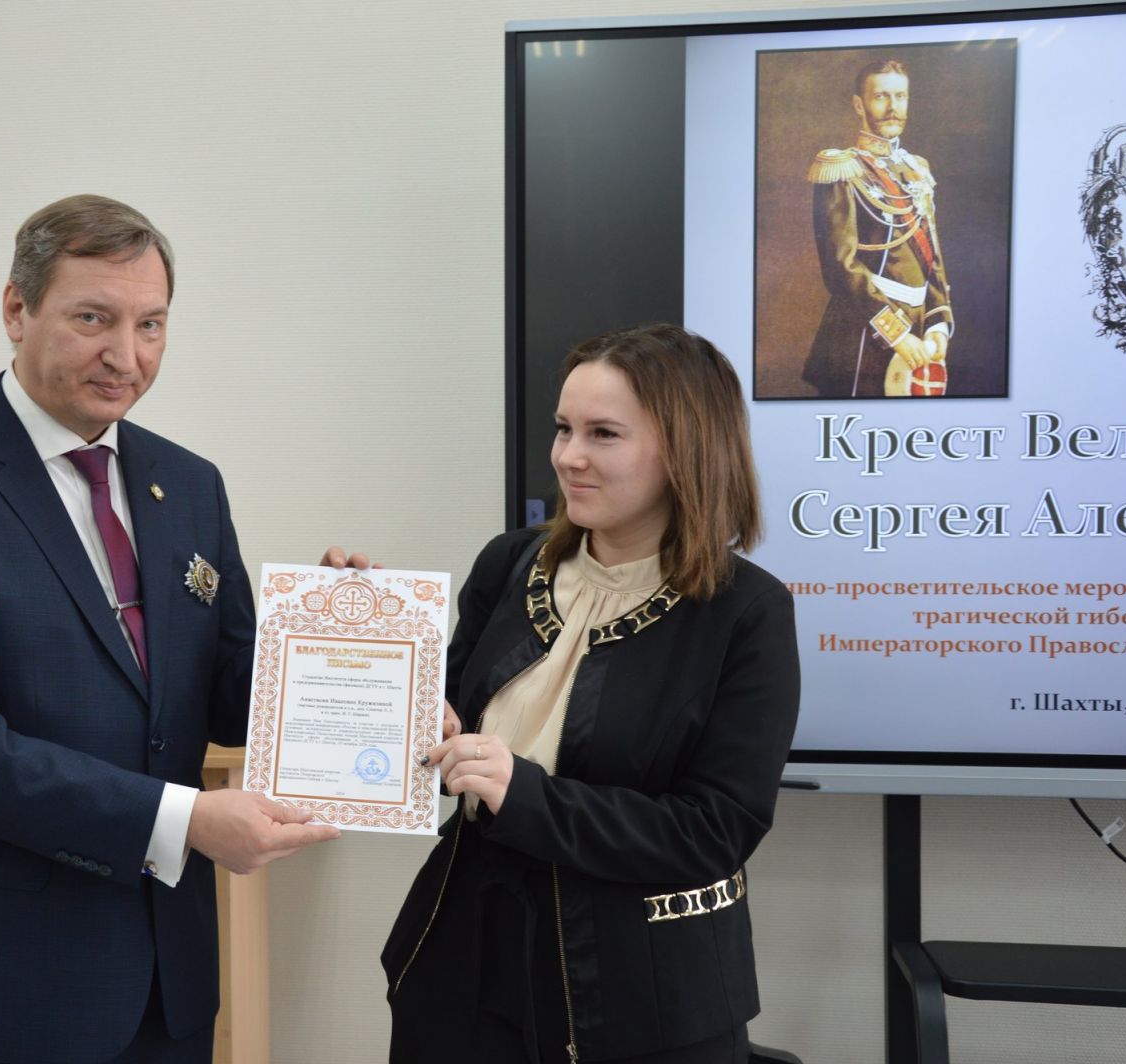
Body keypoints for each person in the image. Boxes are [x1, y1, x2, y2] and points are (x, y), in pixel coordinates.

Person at [0, 194, 347, 1064]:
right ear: (17, 309)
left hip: (164, 991)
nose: (127, 356)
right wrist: (182, 820)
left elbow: (229, 696)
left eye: (151, 325)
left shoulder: (189, 483)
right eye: (93, 318)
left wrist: (334, 648)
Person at [383, 323, 801, 1064]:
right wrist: (364, 640)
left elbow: (715, 832)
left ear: (685, 449)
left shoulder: (747, 612)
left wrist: (525, 793)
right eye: (563, 428)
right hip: (467, 962)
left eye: (603, 434)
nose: (568, 456)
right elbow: (436, 734)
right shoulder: (509, 564)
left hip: (644, 994)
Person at [804, 58, 954, 398]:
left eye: (900, 97)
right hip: (860, 334)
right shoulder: (842, 169)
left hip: (920, 332)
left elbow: (932, 259)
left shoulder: (917, 169)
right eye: (881, 97)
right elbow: (840, 268)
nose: (892, 108)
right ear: (859, 105)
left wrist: (937, 323)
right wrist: (896, 333)